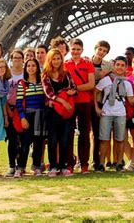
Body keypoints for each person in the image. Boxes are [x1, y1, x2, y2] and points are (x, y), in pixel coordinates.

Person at [94, 56, 134, 172]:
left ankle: (119, 163)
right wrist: (97, 108)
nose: (120, 67)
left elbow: (130, 100)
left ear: (126, 68)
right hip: (106, 112)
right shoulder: (106, 80)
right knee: (104, 139)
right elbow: (94, 93)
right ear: (114, 66)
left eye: (122, 65)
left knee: (120, 140)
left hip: (120, 113)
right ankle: (101, 163)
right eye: (118, 65)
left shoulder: (127, 83)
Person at [42, 49, 77, 177]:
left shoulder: (66, 74)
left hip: (66, 112)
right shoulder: (46, 75)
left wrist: (67, 91)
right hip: (52, 111)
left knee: (64, 140)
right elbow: (49, 94)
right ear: (50, 60)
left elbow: (74, 88)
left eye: (58, 58)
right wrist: (64, 100)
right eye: (54, 59)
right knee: (52, 140)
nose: (56, 61)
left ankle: (62, 166)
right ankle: (52, 166)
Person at [65, 38, 95, 174]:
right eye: (73, 49)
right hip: (70, 103)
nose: (76, 52)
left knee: (84, 134)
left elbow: (91, 84)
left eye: (78, 49)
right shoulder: (65, 64)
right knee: (69, 134)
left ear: (82, 50)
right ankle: (69, 164)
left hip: (84, 102)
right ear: (69, 50)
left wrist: (75, 89)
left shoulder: (88, 63)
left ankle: (84, 164)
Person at [14, 59, 47, 177]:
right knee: (25, 142)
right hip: (28, 115)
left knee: (39, 143)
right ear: (25, 68)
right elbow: (18, 102)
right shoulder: (22, 83)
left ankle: (36, 166)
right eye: (28, 66)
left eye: (33, 66)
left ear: (37, 68)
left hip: (40, 115)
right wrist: (22, 118)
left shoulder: (42, 82)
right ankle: (21, 167)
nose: (31, 68)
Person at [91, 40, 113, 171]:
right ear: (95, 49)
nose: (102, 53)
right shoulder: (85, 63)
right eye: (100, 49)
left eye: (105, 51)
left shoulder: (109, 66)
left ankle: (96, 160)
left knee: (97, 133)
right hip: (83, 99)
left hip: (100, 101)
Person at [4, 49, 24, 177]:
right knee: (12, 139)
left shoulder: (26, 74)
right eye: (14, 58)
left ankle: (20, 165)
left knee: (23, 140)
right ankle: (12, 165)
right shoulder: (6, 75)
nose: (16, 60)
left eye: (19, 57)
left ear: (23, 60)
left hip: (22, 109)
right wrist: (7, 111)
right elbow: (2, 95)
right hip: (10, 109)